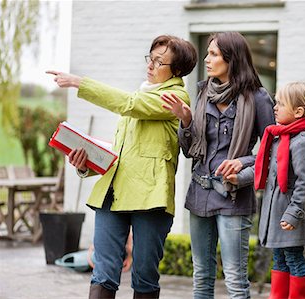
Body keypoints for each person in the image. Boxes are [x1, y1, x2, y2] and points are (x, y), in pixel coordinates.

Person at [47, 35, 197, 299]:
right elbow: (119, 156)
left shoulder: (175, 96)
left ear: (176, 70)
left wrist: (79, 82)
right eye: (150, 58)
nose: (150, 65)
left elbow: (129, 105)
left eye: (159, 61)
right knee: (103, 272)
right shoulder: (143, 94)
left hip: (150, 198)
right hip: (112, 196)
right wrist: (85, 164)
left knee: (144, 275)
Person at [162, 31, 275, 299]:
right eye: (208, 53)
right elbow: (190, 151)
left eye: (213, 54)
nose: (207, 59)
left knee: (235, 279)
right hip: (200, 193)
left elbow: (273, 153)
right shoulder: (203, 94)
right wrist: (186, 121)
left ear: (231, 58)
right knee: (201, 275)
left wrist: (242, 168)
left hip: (234, 196)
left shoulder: (258, 98)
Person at [231, 81, 305, 299]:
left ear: (298, 111)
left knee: (293, 257)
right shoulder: (280, 137)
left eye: (281, 103)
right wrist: (239, 177)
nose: (275, 107)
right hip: (278, 212)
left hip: (290, 215)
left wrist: (293, 214)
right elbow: (267, 168)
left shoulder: (303, 143)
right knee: (279, 258)